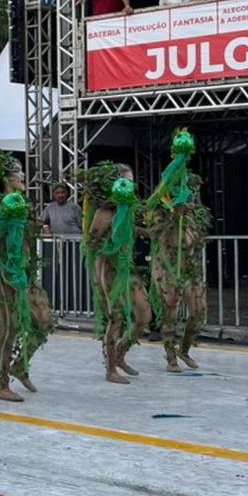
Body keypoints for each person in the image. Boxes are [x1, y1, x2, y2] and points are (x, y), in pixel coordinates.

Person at [0, 152, 54, 401]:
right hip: (2, 272)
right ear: (5, 179)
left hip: (24, 272)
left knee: (44, 322)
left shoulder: (21, 204)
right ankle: (0, 384)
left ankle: (19, 366)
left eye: (22, 171)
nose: (23, 175)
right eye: (17, 172)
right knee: (10, 326)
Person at [143, 132, 209, 373]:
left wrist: (192, 215)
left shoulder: (195, 214)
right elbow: (156, 234)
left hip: (190, 267)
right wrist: (175, 215)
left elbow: (200, 235)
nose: (192, 196)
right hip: (169, 267)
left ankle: (185, 349)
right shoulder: (162, 211)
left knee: (199, 312)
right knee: (170, 310)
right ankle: (170, 355)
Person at [81, 162, 150, 384]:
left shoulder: (125, 209)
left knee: (144, 315)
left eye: (131, 182)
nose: (131, 186)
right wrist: (109, 246)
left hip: (127, 267)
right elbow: (92, 241)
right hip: (108, 269)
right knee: (117, 317)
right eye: (127, 182)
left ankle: (120, 353)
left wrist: (148, 232)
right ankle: (110, 368)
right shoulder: (104, 212)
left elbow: (128, 229)